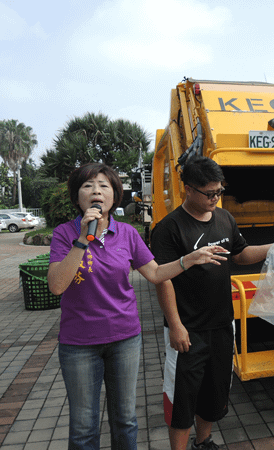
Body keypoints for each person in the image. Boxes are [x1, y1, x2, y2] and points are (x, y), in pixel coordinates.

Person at [48, 163, 227, 450]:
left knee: (125, 420)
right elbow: (57, 286)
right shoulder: (63, 234)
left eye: (104, 186)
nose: (96, 191)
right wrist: (82, 240)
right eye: (88, 186)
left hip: (124, 339)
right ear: (77, 196)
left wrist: (189, 259)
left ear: (114, 194)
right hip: (79, 344)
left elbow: (155, 274)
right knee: (83, 427)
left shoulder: (128, 234)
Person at [150, 155, 272, 450]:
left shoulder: (224, 218)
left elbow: (240, 255)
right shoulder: (168, 228)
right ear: (187, 189)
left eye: (219, 192)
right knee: (181, 398)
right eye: (209, 193)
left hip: (221, 325)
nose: (215, 199)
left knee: (213, 392)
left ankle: (203, 441)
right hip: (187, 330)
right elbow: (162, 279)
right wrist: (176, 326)